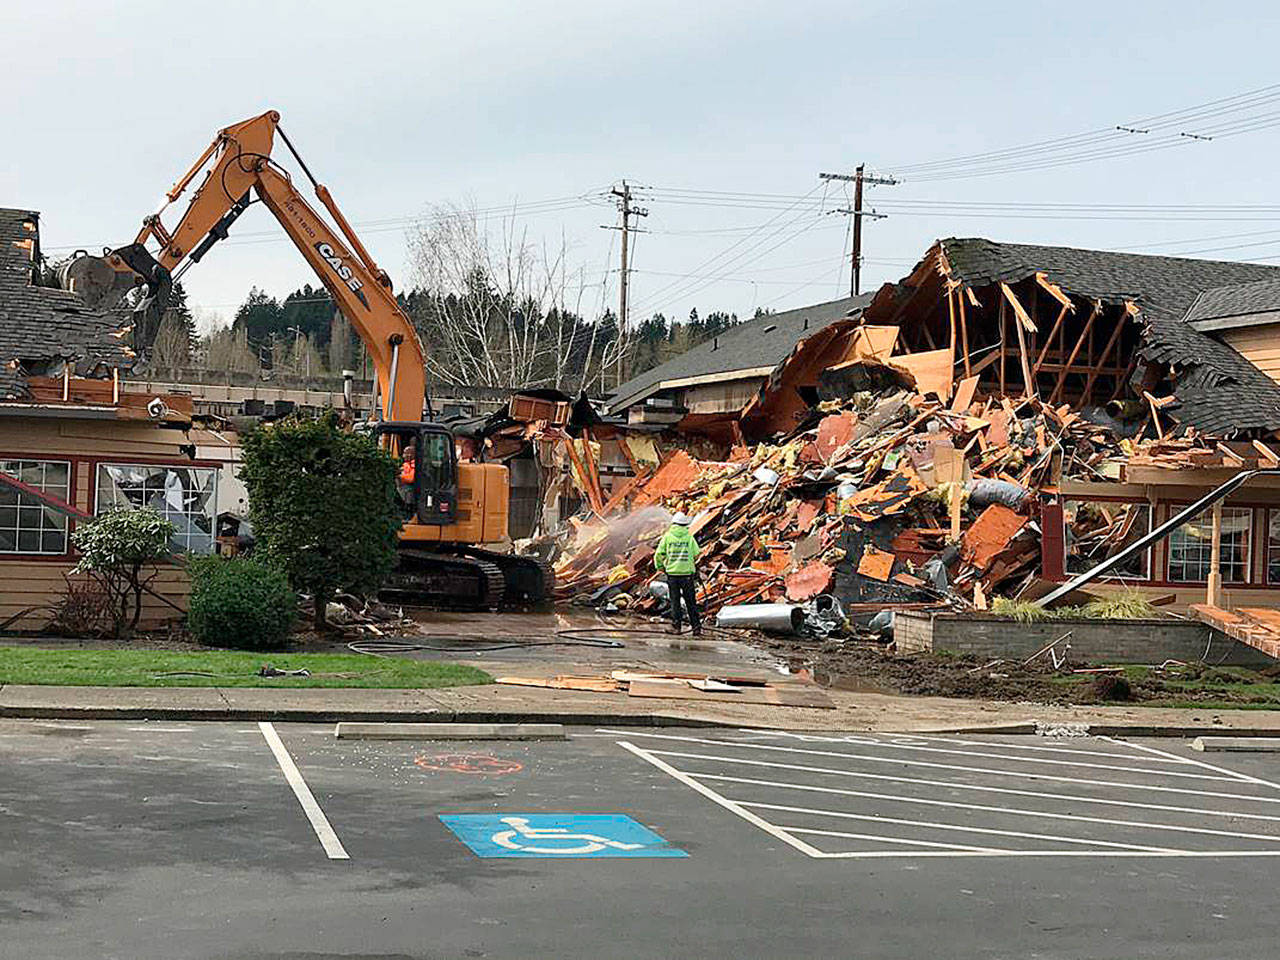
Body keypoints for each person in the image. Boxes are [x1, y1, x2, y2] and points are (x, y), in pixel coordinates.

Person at [654, 512, 702, 636]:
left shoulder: (668, 537)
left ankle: (677, 627)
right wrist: (690, 563)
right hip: (687, 575)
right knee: (691, 601)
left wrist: (661, 567)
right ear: (685, 524)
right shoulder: (689, 537)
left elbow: (658, 555)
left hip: (673, 575)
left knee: (675, 601)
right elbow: (697, 553)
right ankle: (696, 628)